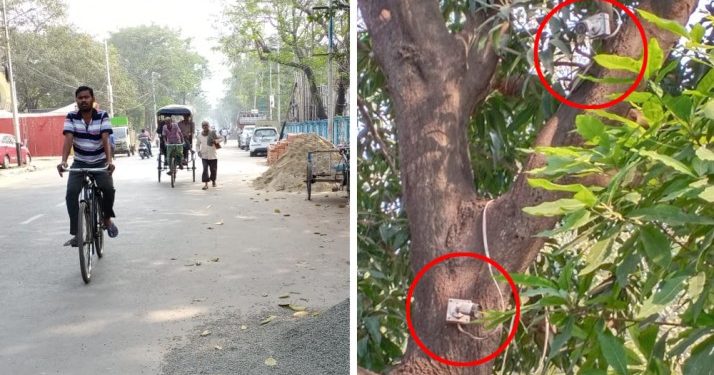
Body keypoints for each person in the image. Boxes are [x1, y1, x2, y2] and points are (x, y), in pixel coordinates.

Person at [57, 85, 118, 246]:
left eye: (86, 97)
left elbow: (105, 139)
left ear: (93, 99)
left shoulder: (102, 115)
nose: (83, 100)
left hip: (99, 160)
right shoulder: (71, 116)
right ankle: (78, 234)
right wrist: (64, 161)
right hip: (80, 161)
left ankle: (106, 219)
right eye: (80, 98)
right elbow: (68, 139)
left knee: (108, 189)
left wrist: (109, 161)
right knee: (71, 193)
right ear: (76, 100)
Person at [196, 120, 220, 190]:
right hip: (204, 156)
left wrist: (215, 141)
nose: (205, 126)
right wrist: (198, 151)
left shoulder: (213, 133)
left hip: (213, 155)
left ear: (208, 126)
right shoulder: (199, 135)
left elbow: (221, 138)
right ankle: (206, 184)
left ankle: (213, 181)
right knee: (205, 169)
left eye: (206, 125)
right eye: (203, 125)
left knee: (213, 170)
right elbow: (197, 145)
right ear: (202, 127)